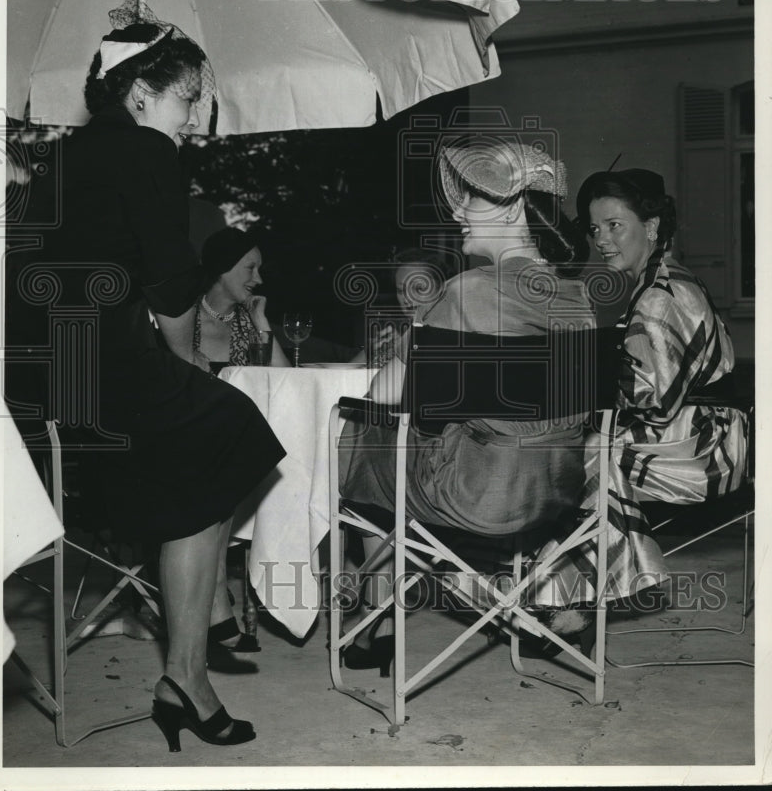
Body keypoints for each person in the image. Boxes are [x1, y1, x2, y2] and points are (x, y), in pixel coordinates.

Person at [27, 3, 286, 751]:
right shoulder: (146, 153)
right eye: (187, 99)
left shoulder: (66, 156)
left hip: (54, 378)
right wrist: (194, 364)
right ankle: (186, 673)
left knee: (202, 462)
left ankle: (183, 673)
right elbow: (175, 287)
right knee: (233, 427)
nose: (196, 119)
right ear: (140, 94)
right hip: (106, 366)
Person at [337, 137, 594, 671]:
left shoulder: (466, 291)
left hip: (475, 494)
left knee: (355, 430)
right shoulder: (578, 295)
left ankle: (368, 612)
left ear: (516, 206)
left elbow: (384, 395)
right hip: (559, 487)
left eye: (474, 197)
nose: (458, 209)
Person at [531, 168, 747, 610]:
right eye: (594, 228)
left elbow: (653, 402)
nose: (601, 239)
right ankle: (568, 595)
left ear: (650, 227)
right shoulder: (659, 280)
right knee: (574, 446)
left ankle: (574, 601)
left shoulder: (659, 296)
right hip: (700, 430)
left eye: (615, 225)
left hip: (707, 445)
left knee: (578, 454)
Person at [195, 227, 290, 372]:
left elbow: (285, 377)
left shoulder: (248, 324)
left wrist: (260, 320)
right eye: (250, 268)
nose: (259, 280)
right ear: (224, 267)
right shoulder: (184, 317)